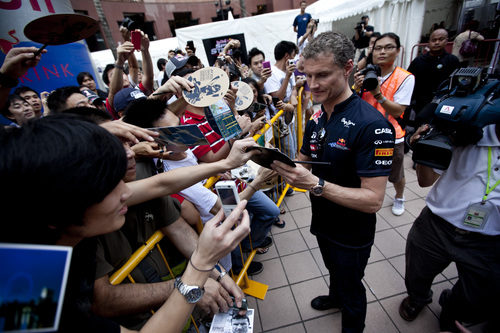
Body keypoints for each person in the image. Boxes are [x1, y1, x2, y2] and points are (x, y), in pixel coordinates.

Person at [0, 113, 254, 333]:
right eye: (109, 183)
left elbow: (160, 184)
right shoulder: (24, 296)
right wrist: (199, 268)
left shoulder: (37, 245)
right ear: (57, 209)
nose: (127, 192)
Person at [271, 31, 395, 333]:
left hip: (352, 233)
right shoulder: (316, 118)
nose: (312, 84)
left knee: (353, 286)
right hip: (323, 221)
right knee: (333, 270)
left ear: (347, 68)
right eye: (307, 75)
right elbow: (303, 156)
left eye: (322, 75)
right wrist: (273, 165)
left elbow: (373, 201)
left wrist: (314, 183)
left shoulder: (373, 126)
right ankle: (335, 295)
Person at [399, 123, 500, 332]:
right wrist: (425, 148)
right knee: (417, 273)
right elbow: (424, 181)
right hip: (437, 224)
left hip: (490, 238)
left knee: (475, 292)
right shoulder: (468, 125)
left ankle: (451, 311)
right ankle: (418, 298)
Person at [354, 32, 415, 216]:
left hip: (392, 136)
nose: (382, 52)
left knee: (396, 174)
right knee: (362, 170)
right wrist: (357, 88)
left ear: (397, 51)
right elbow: (355, 104)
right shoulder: (364, 74)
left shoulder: (405, 77)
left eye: (388, 47)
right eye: (377, 48)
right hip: (366, 135)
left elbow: (398, 111)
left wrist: (378, 93)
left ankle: (399, 196)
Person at [407, 29, 459, 123]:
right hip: (421, 103)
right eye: (434, 40)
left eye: (441, 39)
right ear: (429, 42)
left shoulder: (452, 61)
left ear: (446, 41)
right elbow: (408, 81)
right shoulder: (418, 61)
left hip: (443, 102)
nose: (437, 43)